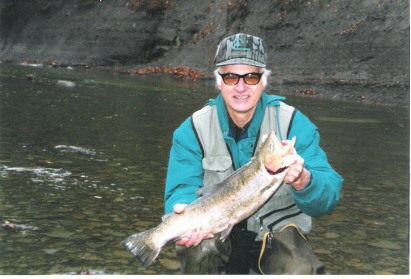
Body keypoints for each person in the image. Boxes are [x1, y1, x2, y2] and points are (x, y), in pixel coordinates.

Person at [163, 33, 343, 274]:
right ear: (219, 81)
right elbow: (180, 190)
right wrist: (182, 211)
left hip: (276, 236)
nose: (240, 87)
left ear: (264, 81)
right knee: (199, 250)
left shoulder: (294, 124)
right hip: (215, 230)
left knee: (298, 268)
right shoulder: (191, 130)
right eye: (230, 77)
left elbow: (328, 200)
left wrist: (304, 180)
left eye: (250, 76)